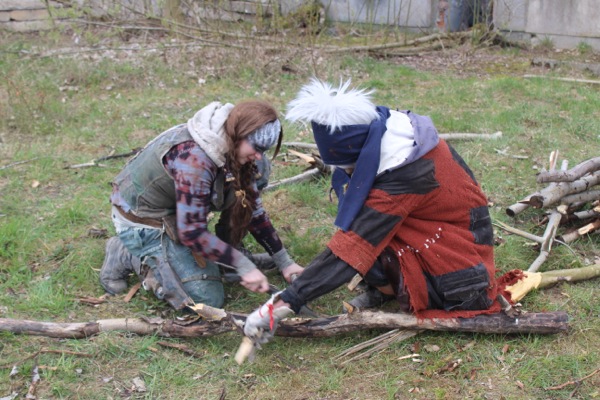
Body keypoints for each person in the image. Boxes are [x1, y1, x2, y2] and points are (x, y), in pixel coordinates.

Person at [243, 78, 503, 342]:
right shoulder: (382, 130)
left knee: (364, 240)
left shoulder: (406, 169)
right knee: (365, 230)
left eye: (349, 167)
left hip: (462, 262)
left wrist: (283, 303)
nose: (347, 173)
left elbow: (353, 246)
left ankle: (395, 287)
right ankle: (387, 288)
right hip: (434, 226)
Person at [99, 100, 304, 310]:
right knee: (205, 299)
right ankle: (128, 252)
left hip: (182, 207)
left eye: (265, 149)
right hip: (144, 217)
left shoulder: (231, 145)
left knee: (259, 168)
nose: (259, 155)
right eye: (257, 147)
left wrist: (284, 262)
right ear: (238, 134)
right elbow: (192, 232)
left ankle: (227, 253)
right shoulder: (194, 159)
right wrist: (243, 265)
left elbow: (251, 207)